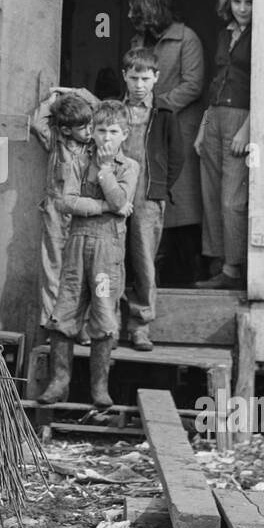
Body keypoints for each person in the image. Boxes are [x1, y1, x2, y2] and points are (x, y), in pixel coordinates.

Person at [41, 100, 139, 408]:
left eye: (113, 131)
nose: (106, 137)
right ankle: (59, 383)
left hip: (107, 252)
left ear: (125, 134)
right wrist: (105, 207)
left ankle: (100, 388)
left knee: (104, 313)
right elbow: (66, 201)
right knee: (65, 308)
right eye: (100, 130)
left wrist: (107, 172)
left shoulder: (129, 167)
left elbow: (123, 197)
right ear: (92, 132)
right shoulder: (79, 161)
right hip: (77, 246)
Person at [127, 0, 205, 288]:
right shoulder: (139, 41)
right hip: (143, 129)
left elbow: (193, 85)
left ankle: (183, 275)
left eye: (137, 10)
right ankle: (148, 276)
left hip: (177, 128)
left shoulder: (187, 39)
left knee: (181, 203)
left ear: (151, 11)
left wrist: (157, 105)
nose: (132, 15)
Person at [195, 0, 252, 291]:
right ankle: (219, 264)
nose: (242, 8)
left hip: (240, 118)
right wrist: (203, 128)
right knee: (212, 194)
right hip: (214, 116)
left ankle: (233, 269)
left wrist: (247, 129)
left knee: (233, 199)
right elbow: (214, 82)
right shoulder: (224, 34)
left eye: (248, 2)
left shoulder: (261, 32)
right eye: (237, 1)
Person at [29, 88, 95, 330]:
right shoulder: (55, 140)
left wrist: (76, 92)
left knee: (83, 269)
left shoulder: (94, 145)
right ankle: (52, 321)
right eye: (83, 127)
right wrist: (53, 98)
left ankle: (83, 325)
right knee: (53, 268)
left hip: (84, 214)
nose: (89, 131)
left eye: (90, 125)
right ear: (66, 129)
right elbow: (37, 122)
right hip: (57, 214)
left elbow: (100, 108)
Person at [117, 48, 170, 351]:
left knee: (143, 259)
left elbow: (174, 156)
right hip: (117, 192)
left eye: (145, 78)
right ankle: (107, 323)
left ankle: (140, 326)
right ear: (124, 76)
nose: (139, 84)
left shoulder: (163, 113)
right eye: (134, 77)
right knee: (112, 257)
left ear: (156, 78)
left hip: (148, 196)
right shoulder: (114, 110)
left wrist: (161, 189)